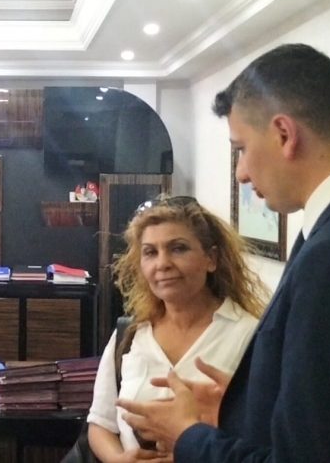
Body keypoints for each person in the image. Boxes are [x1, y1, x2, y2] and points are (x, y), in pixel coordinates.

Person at [119, 44, 330, 461]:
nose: (240, 173)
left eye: (241, 149)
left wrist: (190, 438)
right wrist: (248, 412)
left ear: (284, 134)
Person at [87, 195, 267, 463]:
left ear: (211, 258)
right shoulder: (131, 334)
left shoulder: (250, 336)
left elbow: (266, 439)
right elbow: (100, 424)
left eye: (178, 248)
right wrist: (118, 460)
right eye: (150, 252)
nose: (162, 264)